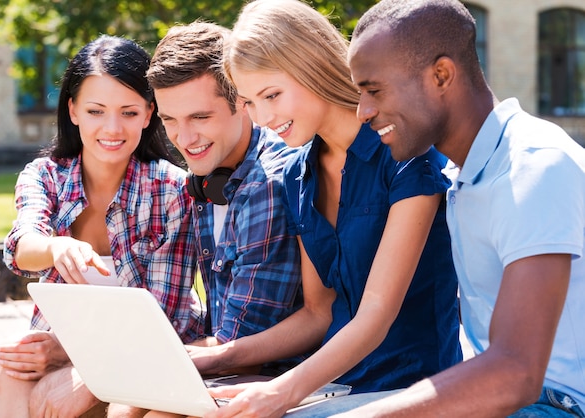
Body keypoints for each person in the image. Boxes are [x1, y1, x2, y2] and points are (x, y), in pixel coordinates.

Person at [146, 1, 461, 417]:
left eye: (272, 95)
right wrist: (211, 358)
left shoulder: (405, 154)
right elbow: (317, 313)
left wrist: (281, 392)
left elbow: (375, 317)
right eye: (251, 103)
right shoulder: (297, 173)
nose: (263, 118)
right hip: (333, 386)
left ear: (310, 66)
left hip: (410, 389)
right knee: (152, 406)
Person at [331, 0, 585, 416]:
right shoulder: (463, 175)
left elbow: (516, 372)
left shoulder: (534, 167)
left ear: (441, 75)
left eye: (373, 90)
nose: (364, 112)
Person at [0, 35, 203, 418]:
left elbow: (163, 312)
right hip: (62, 342)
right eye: (96, 111)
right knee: (11, 369)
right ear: (72, 111)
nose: (113, 128)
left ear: (149, 113)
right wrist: (56, 247)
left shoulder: (172, 189)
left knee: (119, 404)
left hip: (151, 351)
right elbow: (22, 246)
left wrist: (77, 362)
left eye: (129, 112)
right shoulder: (46, 177)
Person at [110, 20, 305, 418]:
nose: (184, 139)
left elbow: (240, 347)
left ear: (242, 102)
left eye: (199, 117)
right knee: (123, 400)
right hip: (222, 364)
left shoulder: (263, 186)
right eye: (170, 120)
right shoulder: (207, 177)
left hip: (277, 377)